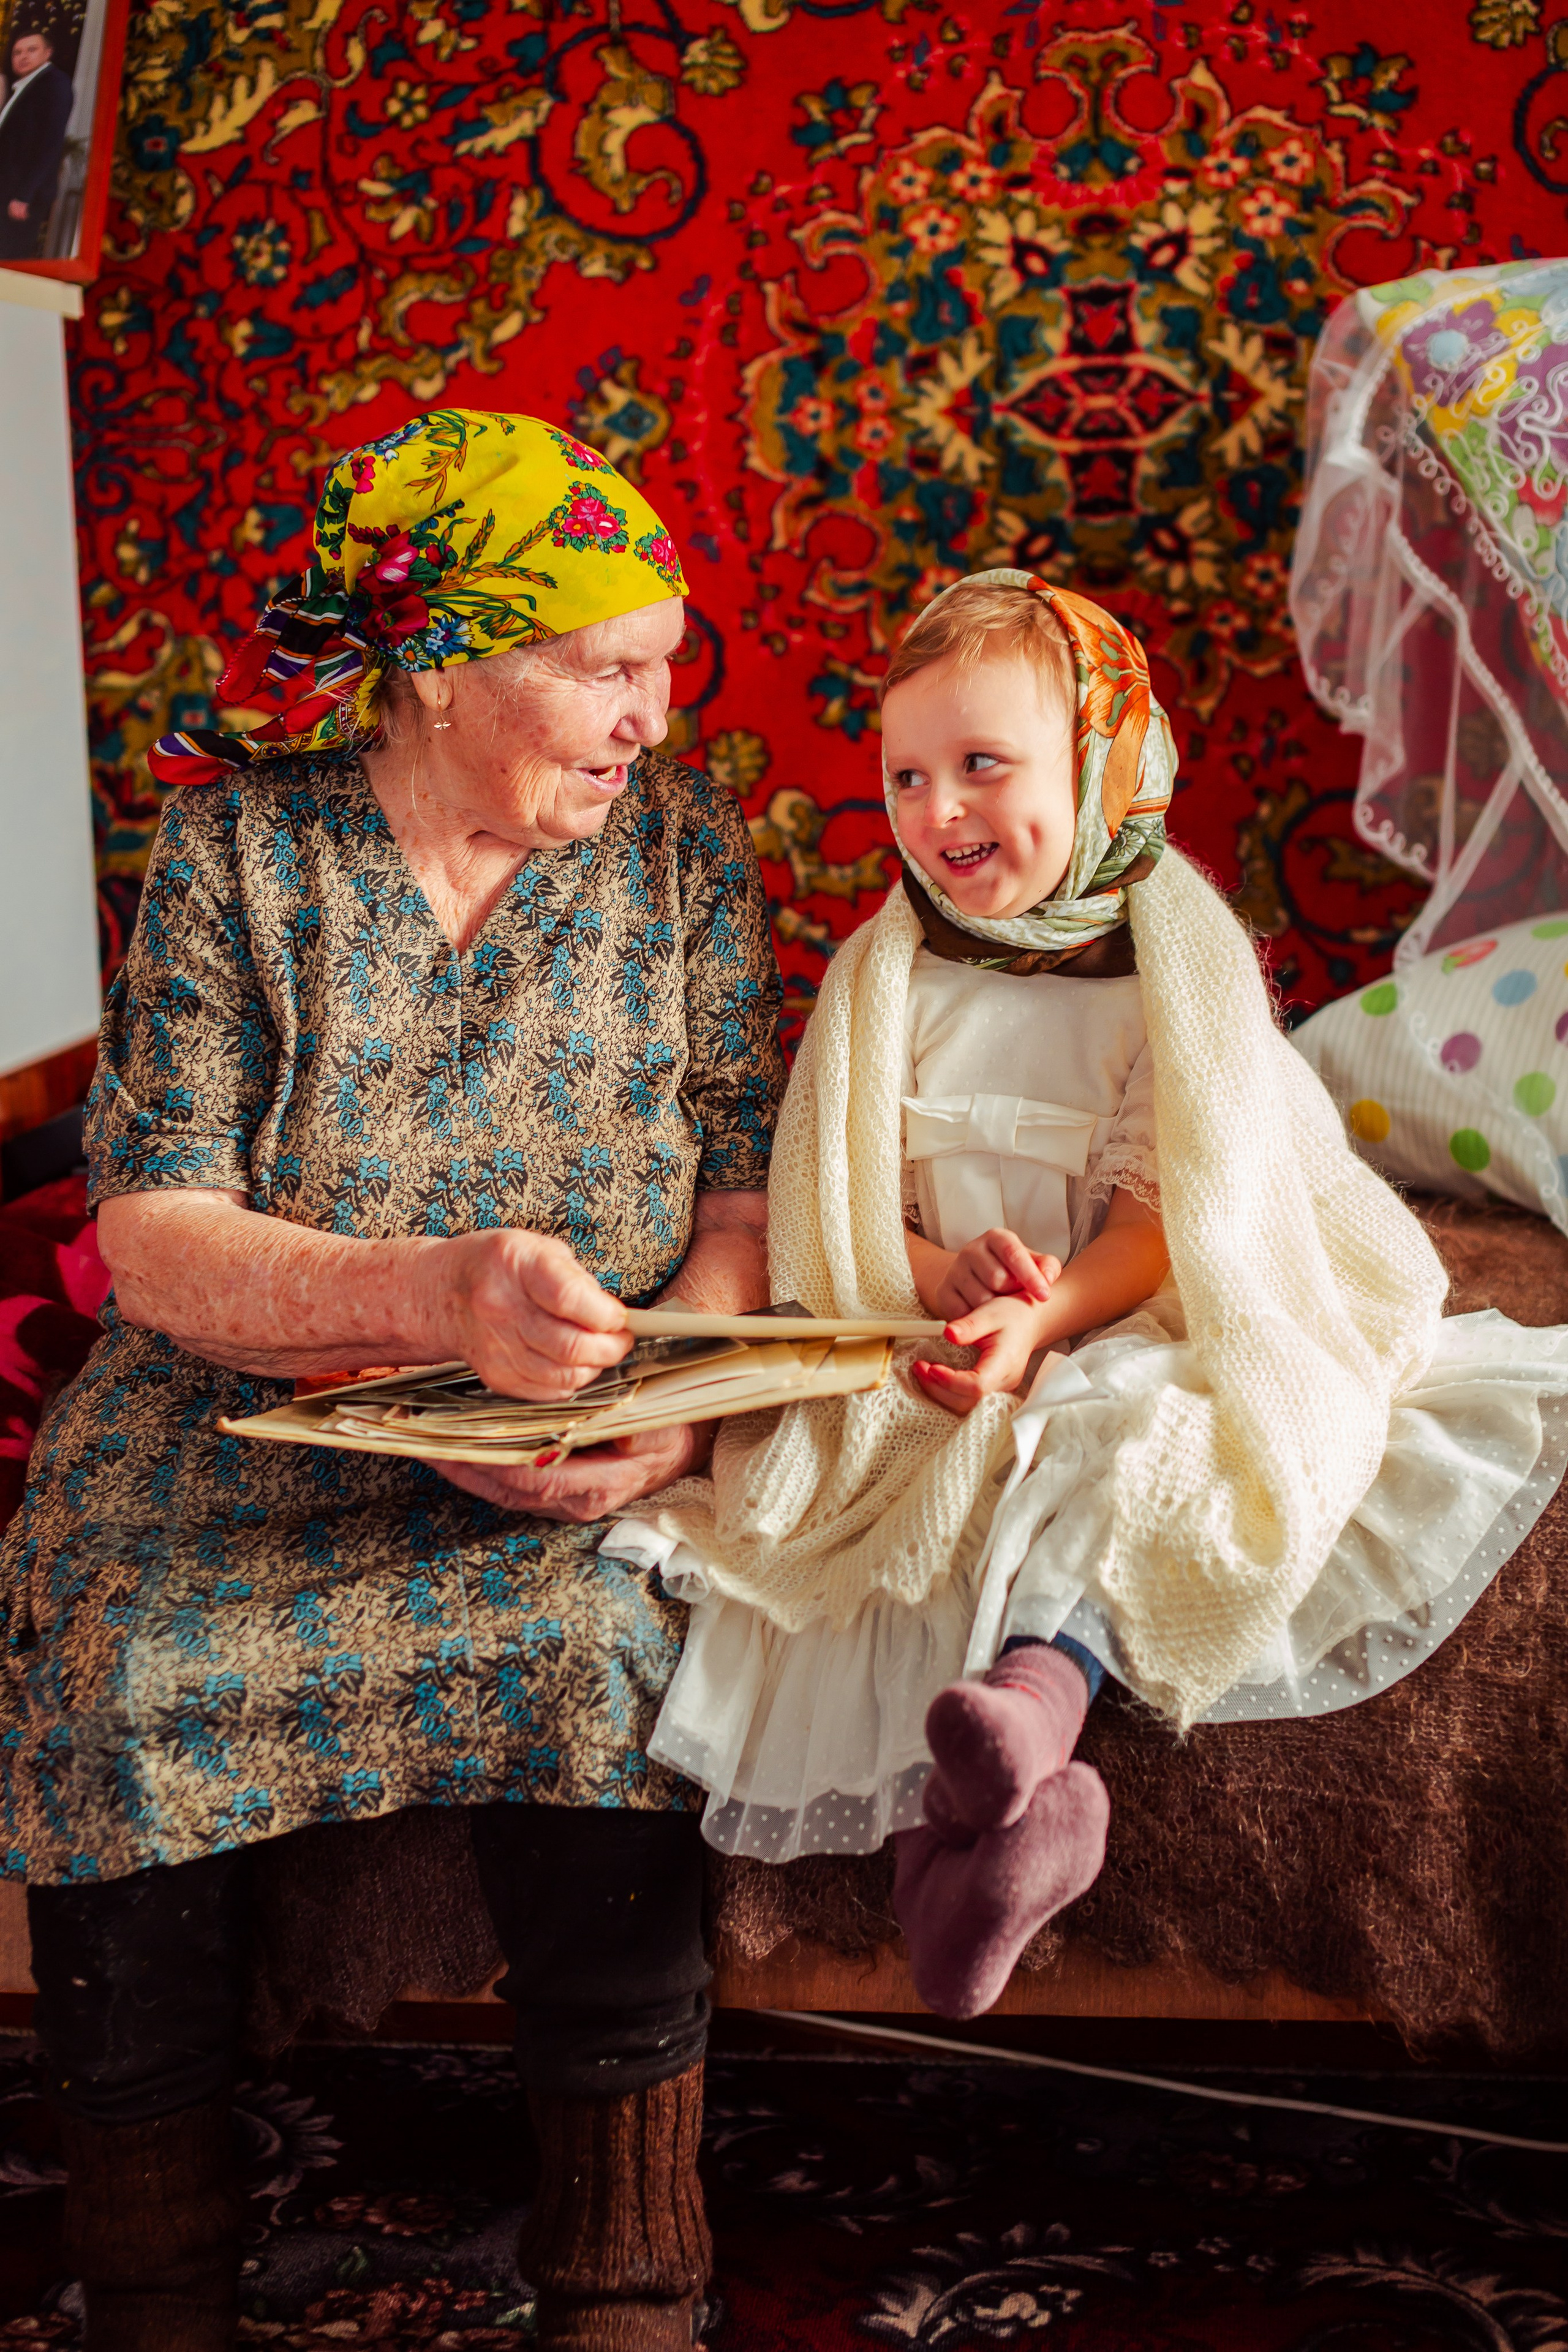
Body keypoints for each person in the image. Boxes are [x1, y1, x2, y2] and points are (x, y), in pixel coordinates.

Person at [0, 409, 785, 2350]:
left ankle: (626, 2282)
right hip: (236, 1415)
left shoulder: (682, 848)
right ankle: (154, 2278)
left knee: (605, 1652)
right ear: (442, 663)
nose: (650, 717)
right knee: (106, 1659)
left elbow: (745, 1181)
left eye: (663, 667)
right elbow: (156, 1228)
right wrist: (435, 1293)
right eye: (604, 667)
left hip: (572, 1433)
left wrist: (669, 1411)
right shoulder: (240, 848)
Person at [608, 568, 1568, 2018]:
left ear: (1099, 764)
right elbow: (844, 1210)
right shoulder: (887, 978)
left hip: (1118, 1314)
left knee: (1115, 1431)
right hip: (938, 1324)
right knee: (870, 1495)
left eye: (982, 765)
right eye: (906, 777)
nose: (939, 809)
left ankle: (1028, 1707)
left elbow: (1165, 1223)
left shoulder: (1167, 975)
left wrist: (1046, 1319)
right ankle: (991, 1851)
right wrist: (943, 1280)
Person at [0, 26, 72, 262]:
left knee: (8, 262)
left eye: (31, 50)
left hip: (20, 196)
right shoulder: (26, 86)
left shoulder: (55, 84)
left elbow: (50, 145)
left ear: (48, 53)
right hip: (8, 190)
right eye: (17, 52)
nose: (23, 57)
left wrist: (24, 196)